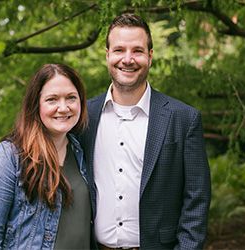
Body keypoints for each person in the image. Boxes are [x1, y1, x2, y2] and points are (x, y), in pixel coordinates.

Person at [79, 13, 211, 250]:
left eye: (137, 51)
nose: (127, 59)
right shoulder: (84, 116)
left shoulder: (183, 118)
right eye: (119, 50)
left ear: (150, 56)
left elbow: (197, 200)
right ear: (107, 55)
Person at [0, 63, 92, 249]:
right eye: (52, 99)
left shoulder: (81, 151)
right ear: (35, 104)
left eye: (71, 98)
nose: (63, 108)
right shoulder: (8, 157)